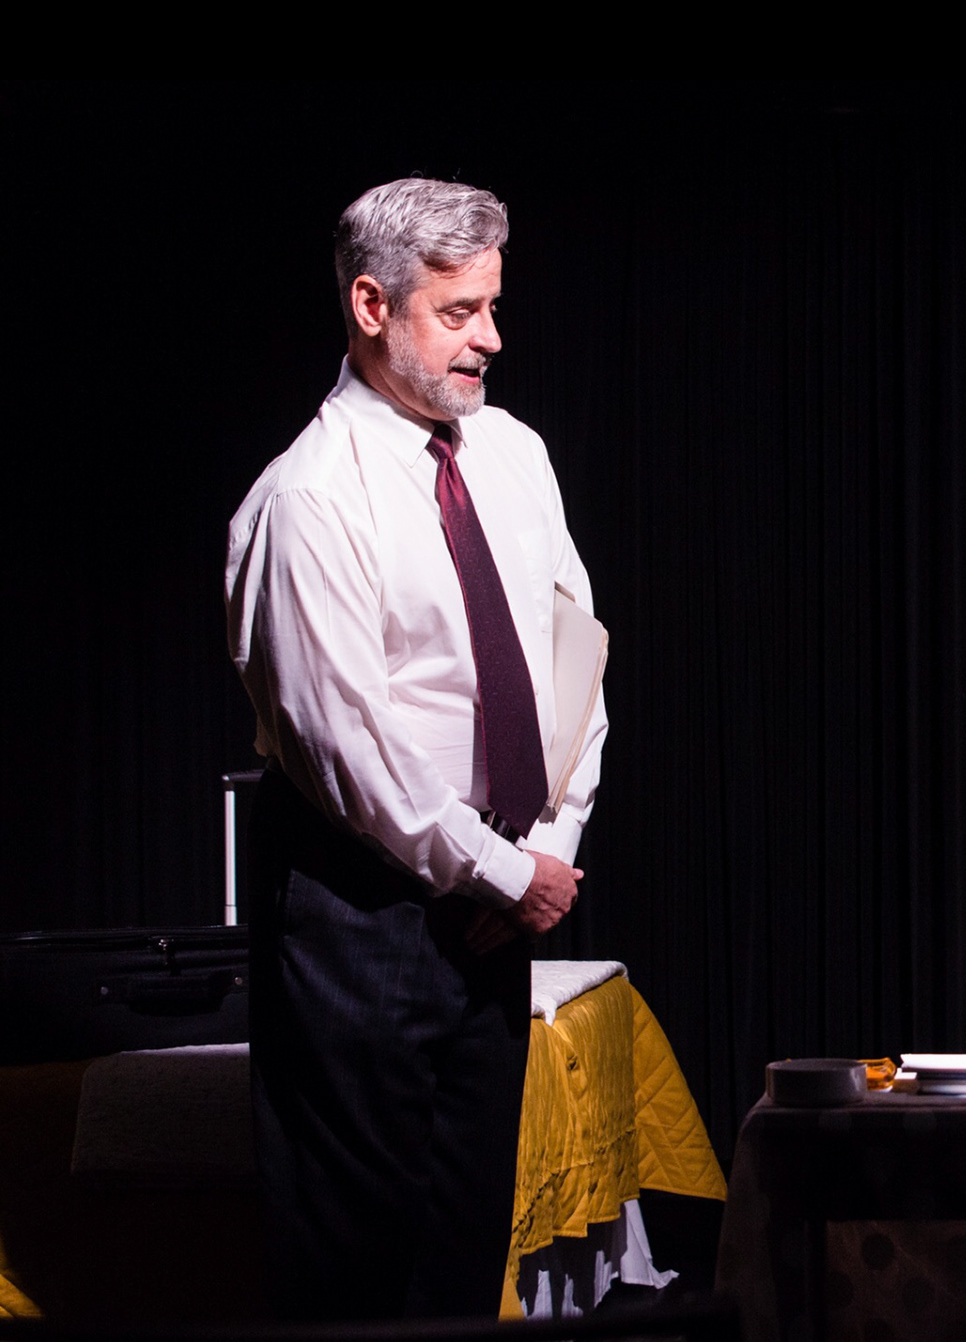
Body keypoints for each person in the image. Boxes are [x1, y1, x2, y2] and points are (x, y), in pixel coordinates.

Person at [224, 178, 608, 1319]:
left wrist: (546, 848)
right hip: (363, 909)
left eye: (493, 306)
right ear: (371, 305)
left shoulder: (512, 452)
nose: (491, 338)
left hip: (499, 894)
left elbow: (574, 658)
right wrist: (503, 874)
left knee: (464, 1246)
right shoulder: (310, 499)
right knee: (357, 1269)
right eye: (458, 312)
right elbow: (348, 748)